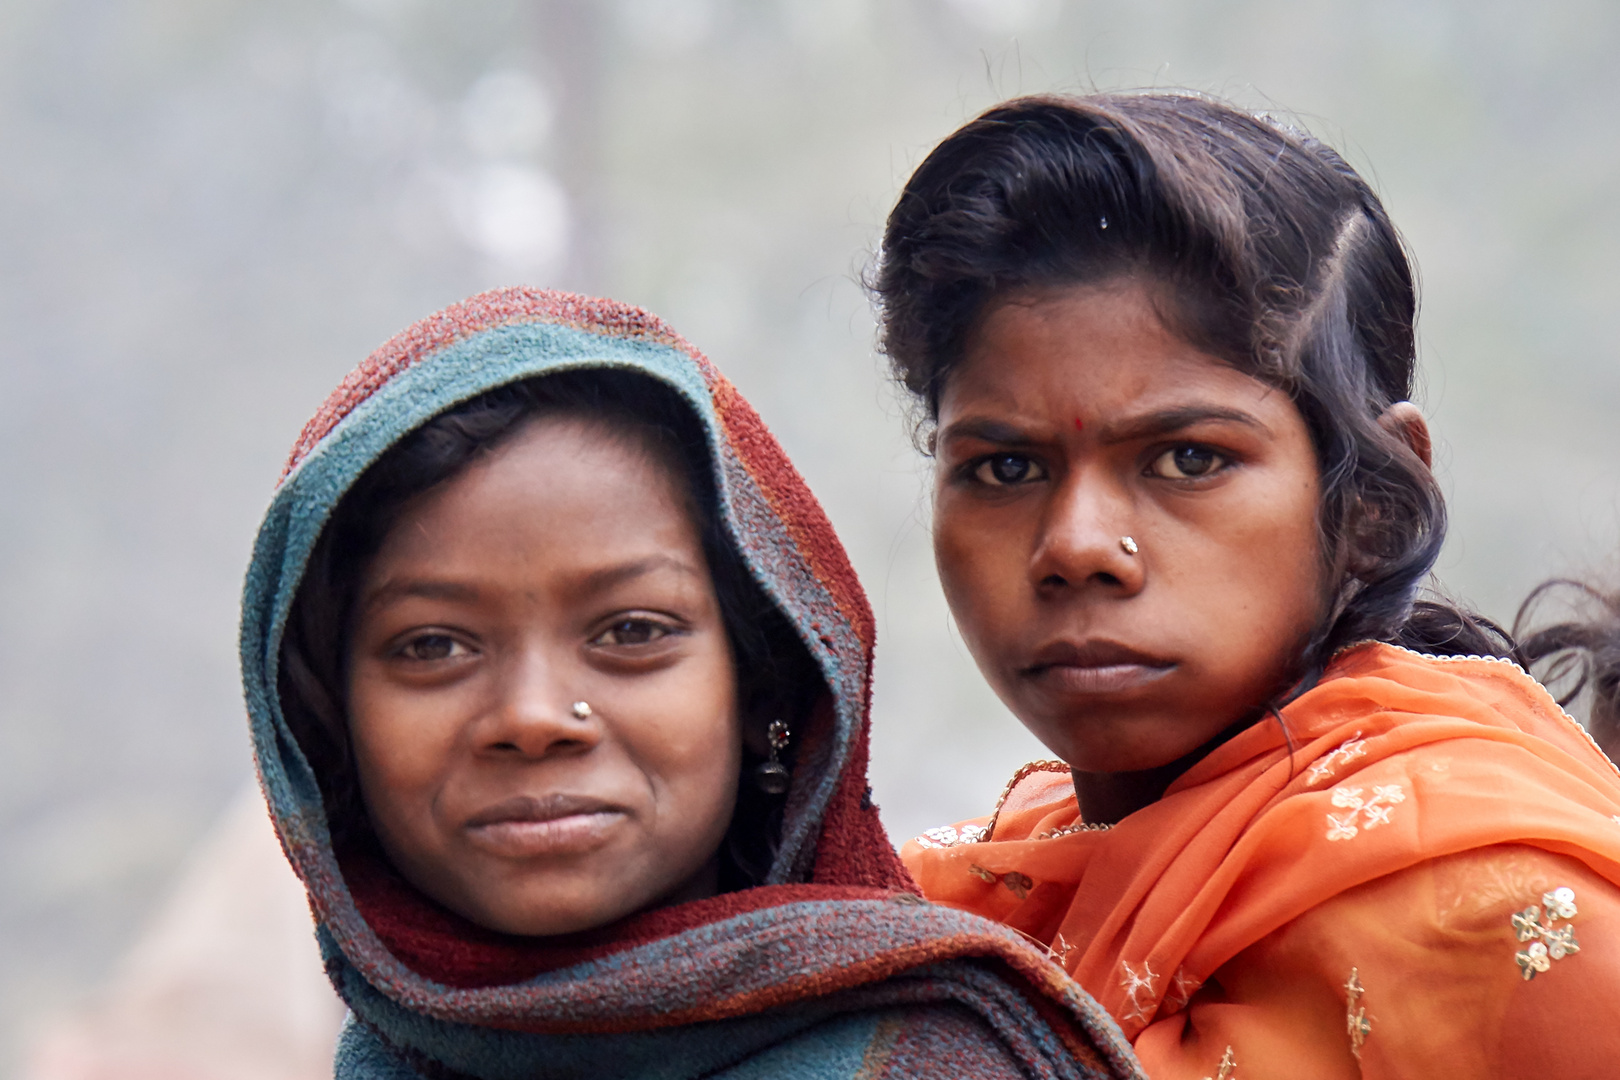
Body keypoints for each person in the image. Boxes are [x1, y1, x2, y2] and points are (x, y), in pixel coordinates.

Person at [874, 93, 1620, 1076]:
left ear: (1374, 507)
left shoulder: (1520, 928)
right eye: (1006, 468)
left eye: (1187, 459)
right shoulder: (931, 932)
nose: (1076, 546)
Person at [239, 287, 1144, 1080]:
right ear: (323, 724)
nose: (532, 718)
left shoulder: (955, 1060)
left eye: (632, 632)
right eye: (432, 647)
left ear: (762, 693)